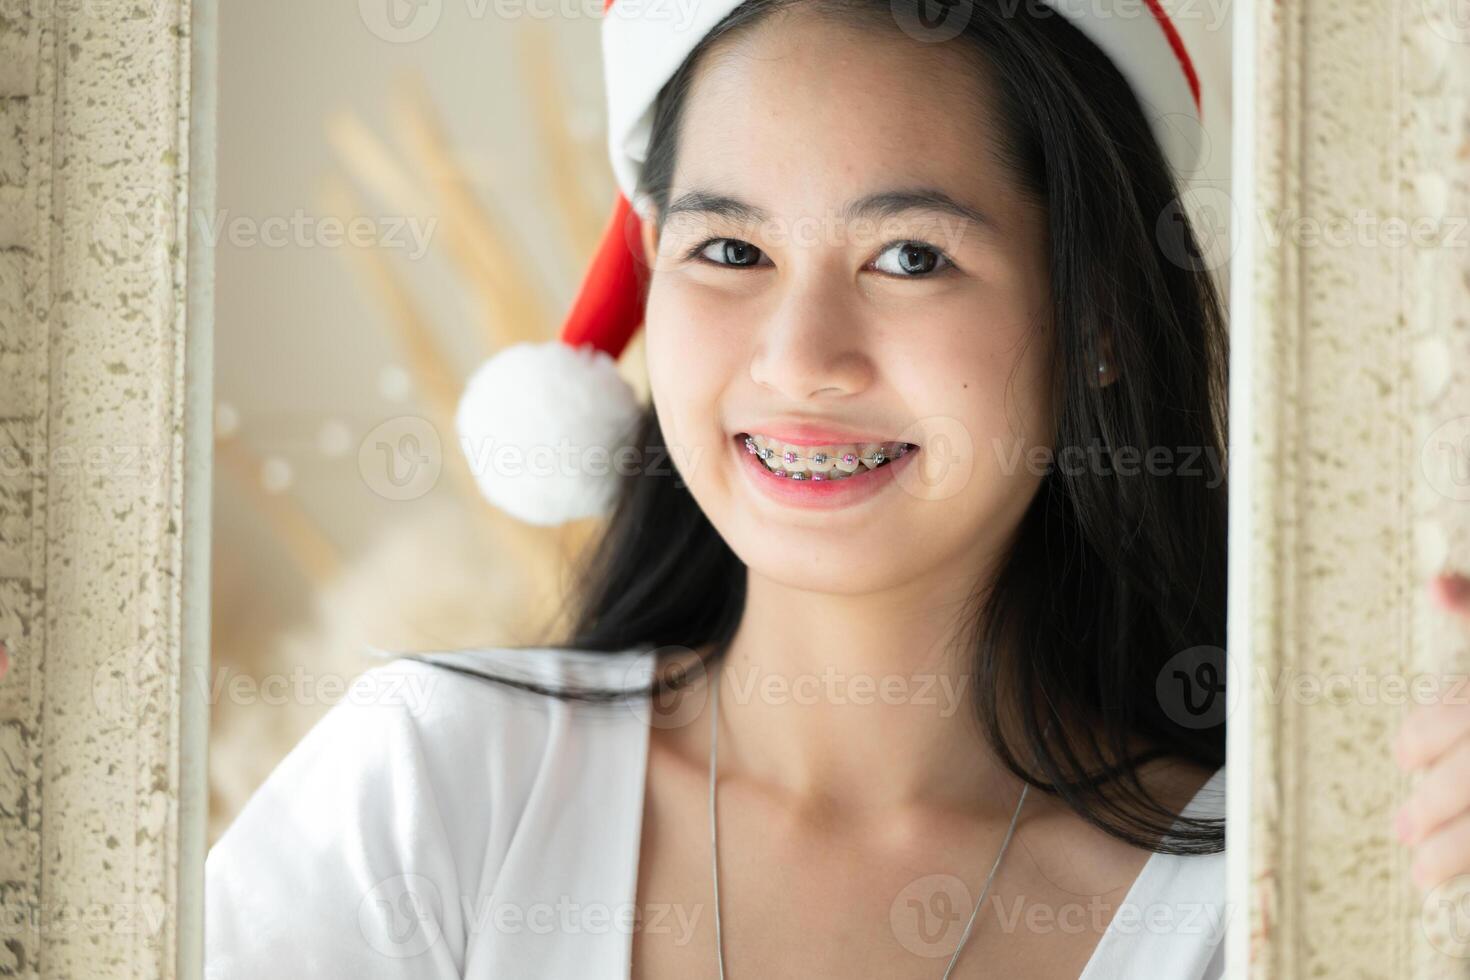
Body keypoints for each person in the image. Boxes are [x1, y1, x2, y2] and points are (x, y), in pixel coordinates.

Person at [207, 0, 1240, 975]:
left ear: (1098, 315)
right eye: (732, 249)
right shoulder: (432, 787)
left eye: (911, 256)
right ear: (654, 269)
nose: (800, 359)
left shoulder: (1254, 899)